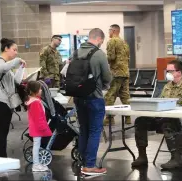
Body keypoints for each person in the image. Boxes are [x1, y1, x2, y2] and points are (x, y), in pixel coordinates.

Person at [131, 60, 182, 169]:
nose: (168, 73)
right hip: (165, 117)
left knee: (168, 123)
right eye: (167, 71)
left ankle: (176, 159)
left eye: (170, 71)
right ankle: (142, 156)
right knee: (140, 121)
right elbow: (160, 102)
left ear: (179, 72)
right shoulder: (167, 86)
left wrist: (168, 108)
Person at [73, 28, 112, 175]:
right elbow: (107, 77)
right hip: (94, 98)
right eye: (102, 41)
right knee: (95, 131)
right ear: (99, 39)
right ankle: (90, 165)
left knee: (83, 129)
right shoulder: (99, 54)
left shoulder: (76, 52)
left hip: (78, 97)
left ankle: (83, 162)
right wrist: (104, 86)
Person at [0, 38, 26, 158]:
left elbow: (15, 81)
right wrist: (17, 60)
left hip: (7, 102)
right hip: (0, 101)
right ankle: (2, 158)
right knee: (2, 131)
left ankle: (3, 158)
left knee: (4, 131)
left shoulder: (6, 65)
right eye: (14, 49)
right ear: (6, 49)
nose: (16, 52)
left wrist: (21, 68)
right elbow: (2, 68)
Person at [104, 24, 131, 126]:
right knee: (125, 95)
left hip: (116, 73)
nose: (108, 33)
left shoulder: (112, 41)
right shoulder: (124, 42)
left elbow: (111, 57)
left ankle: (109, 119)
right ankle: (128, 118)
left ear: (114, 31)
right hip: (125, 72)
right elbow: (128, 57)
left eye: (109, 30)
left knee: (110, 95)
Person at [25, 81, 52, 172]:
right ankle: (36, 165)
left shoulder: (33, 100)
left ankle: (36, 163)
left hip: (35, 127)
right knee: (36, 145)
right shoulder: (36, 102)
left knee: (36, 145)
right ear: (35, 91)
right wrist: (43, 127)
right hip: (38, 128)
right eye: (40, 89)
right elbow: (38, 117)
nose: (41, 90)